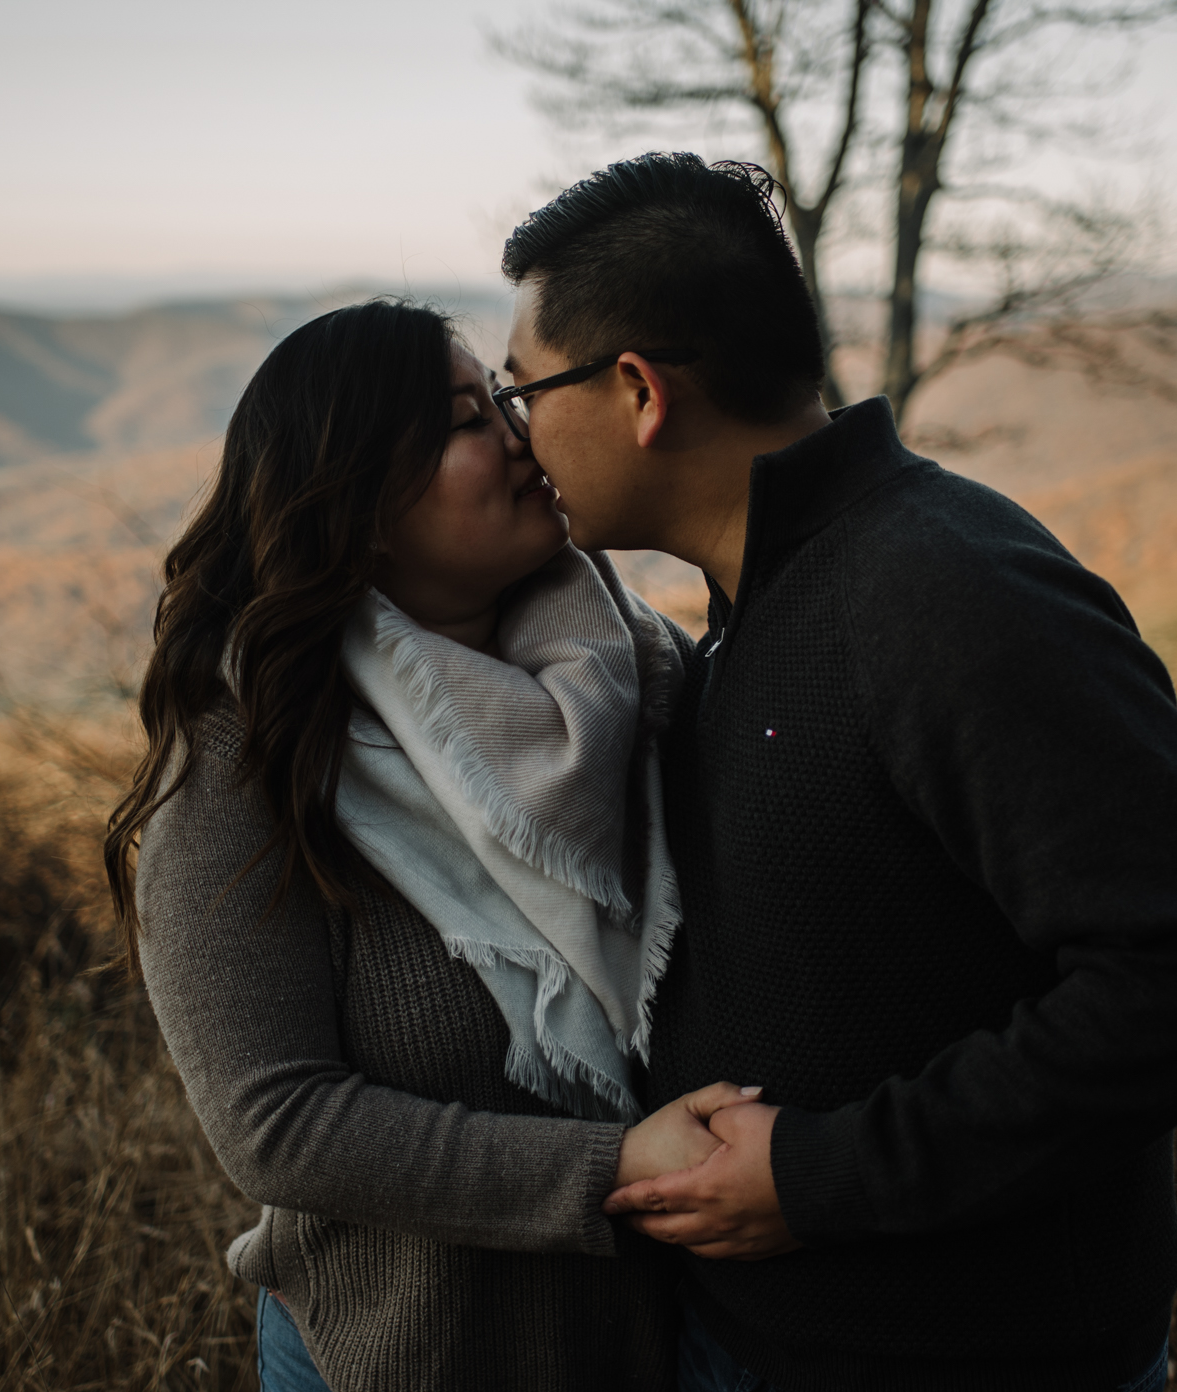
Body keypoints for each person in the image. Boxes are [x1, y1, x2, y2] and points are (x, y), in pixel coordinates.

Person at [495, 153, 1177, 1392]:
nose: (517, 435)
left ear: (638, 391)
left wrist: (823, 1177)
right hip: (762, 1345)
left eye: (524, 393)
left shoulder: (944, 590)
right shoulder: (754, 601)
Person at [105, 298, 756, 1392]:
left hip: (652, 1347)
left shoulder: (631, 675)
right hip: (395, 1359)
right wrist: (615, 1165)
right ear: (356, 506)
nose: (520, 435)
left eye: (505, 402)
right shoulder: (253, 750)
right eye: (467, 420)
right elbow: (276, 1121)